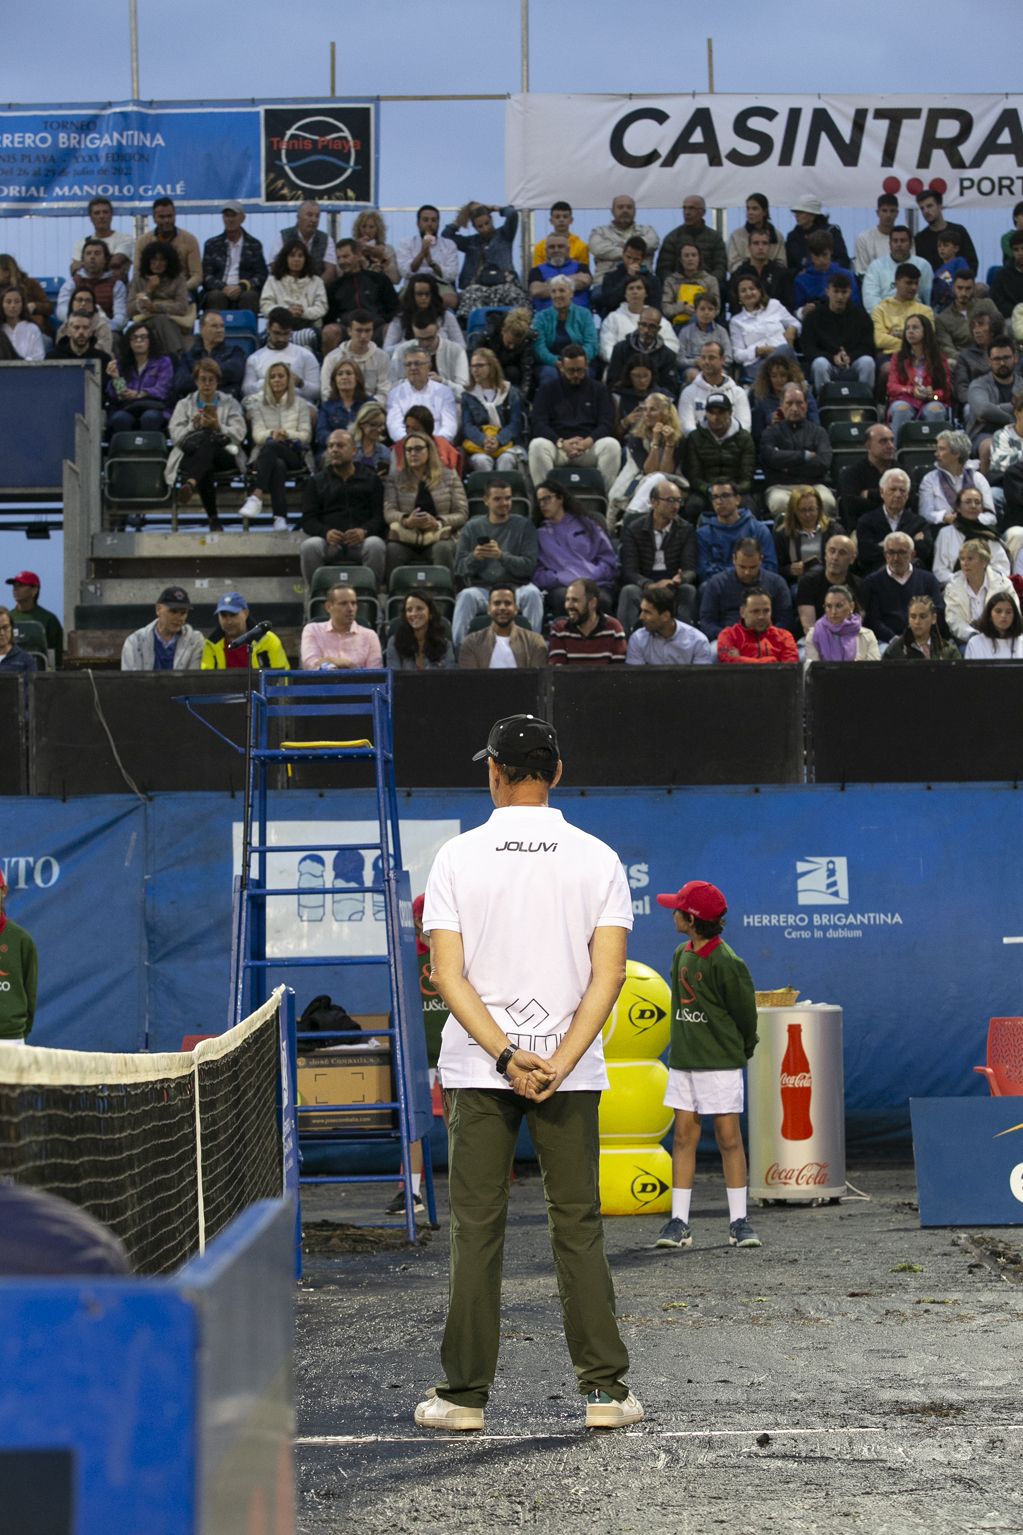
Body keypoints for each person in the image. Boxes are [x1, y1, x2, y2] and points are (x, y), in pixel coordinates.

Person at [417, 713, 643, 1433]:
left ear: (492, 771)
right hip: (566, 1073)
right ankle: (604, 1393)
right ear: (557, 772)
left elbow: (445, 976)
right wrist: (556, 1061)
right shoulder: (599, 858)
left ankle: (461, 1399)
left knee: (475, 1229)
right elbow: (609, 979)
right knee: (576, 1225)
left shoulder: (455, 858)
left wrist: (507, 1056)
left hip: (482, 1067)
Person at [654, 879, 760, 1251]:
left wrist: (741, 1050)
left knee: (729, 1138)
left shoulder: (727, 962)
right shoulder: (681, 953)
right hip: (685, 1061)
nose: (673, 914)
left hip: (719, 1063)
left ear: (692, 919)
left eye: (678, 909)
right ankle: (679, 1222)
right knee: (683, 1136)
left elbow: (745, 1015)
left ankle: (739, 1222)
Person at [452, 480, 543, 646]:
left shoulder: (524, 525)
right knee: (465, 597)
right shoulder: (472, 527)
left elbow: (529, 566)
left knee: (533, 594)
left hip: (516, 587)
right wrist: (475, 557)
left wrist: (501, 556)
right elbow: (459, 568)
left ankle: (533, 648)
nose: (505, 503)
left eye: (508, 498)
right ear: (486, 500)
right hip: (484, 589)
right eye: (498, 499)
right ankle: (460, 653)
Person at [299, 429, 387, 589]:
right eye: (330, 446)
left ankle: (371, 596)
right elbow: (308, 519)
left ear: (354, 450)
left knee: (375, 545)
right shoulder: (317, 481)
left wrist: (364, 531)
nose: (334, 450)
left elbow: (380, 517)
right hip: (329, 543)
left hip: (362, 542)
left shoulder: (371, 479)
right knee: (309, 546)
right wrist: (325, 532)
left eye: (340, 445)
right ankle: (314, 599)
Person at [166, 358, 247, 530]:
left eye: (211, 379)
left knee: (208, 440)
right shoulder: (184, 404)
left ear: (218, 381)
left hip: (225, 452)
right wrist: (192, 426)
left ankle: (191, 484)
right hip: (193, 452)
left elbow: (239, 434)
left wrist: (218, 426)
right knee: (204, 458)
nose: (207, 384)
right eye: (203, 379)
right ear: (196, 381)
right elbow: (176, 436)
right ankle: (213, 519)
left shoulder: (230, 403)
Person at [527, 346, 619, 491]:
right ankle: (544, 499)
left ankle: (606, 500)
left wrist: (587, 442)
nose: (576, 375)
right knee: (537, 445)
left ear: (586, 366)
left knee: (611, 445)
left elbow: (607, 423)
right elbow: (538, 423)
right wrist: (561, 443)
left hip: (588, 446)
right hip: (559, 446)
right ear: (561, 367)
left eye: (580, 370)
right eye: (571, 371)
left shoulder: (599, 389)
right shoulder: (547, 389)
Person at [239, 361, 313, 530]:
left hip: (294, 453)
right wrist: (272, 434)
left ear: (288, 379)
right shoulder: (259, 405)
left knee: (272, 447)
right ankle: (280, 518)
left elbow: (306, 435)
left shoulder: (301, 404)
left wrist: (285, 434)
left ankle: (257, 495)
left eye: (281, 376)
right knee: (277, 464)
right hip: (269, 456)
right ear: (267, 381)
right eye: (272, 377)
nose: (277, 380)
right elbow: (257, 436)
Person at [617, 480, 697, 631]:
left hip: (672, 585)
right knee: (628, 591)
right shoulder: (634, 529)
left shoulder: (686, 529)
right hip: (645, 585)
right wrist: (649, 584)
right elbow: (629, 571)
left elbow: (690, 568)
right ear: (654, 502)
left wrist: (680, 579)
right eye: (670, 500)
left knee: (688, 590)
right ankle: (625, 645)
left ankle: (685, 644)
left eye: (679, 501)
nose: (676, 506)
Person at [383, 431, 468, 575]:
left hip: (439, 536)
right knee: (393, 549)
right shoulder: (395, 478)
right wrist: (406, 520)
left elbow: (462, 513)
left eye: (418, 449)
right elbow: (389, 511)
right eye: (408, 450)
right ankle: (396, 595)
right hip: (406, 537)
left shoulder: (449, 475)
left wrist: (438, 522)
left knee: (443, 548)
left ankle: (446, 592)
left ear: (430, 450)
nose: (412, 453)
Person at [533, 481, 619, 616]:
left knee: (600, 600)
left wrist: (594, 574)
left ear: (560, 498)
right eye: (540, 501)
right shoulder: (539, 535)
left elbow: (608, 559)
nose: (543, 504)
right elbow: (537, 573)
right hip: (561, 587)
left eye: (547, 498)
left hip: (595, 583)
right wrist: (558, 578)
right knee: (567, 600)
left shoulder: (587, 524)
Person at [759, 385, 835, 518]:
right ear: (781, 406)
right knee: (780, 503)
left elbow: (823, 463)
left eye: (799, 403)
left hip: (813, 485)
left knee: (827, 502)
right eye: (789, 403)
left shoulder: (819, 432)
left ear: (806, 405)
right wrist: (804, 456)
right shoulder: (770, 433)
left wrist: (786, 467)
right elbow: (770, 459)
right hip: (780, 486)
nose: (794, 408)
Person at [698, 539, 795, 642]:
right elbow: (707, 621)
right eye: (742, 567)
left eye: (753, 567)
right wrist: (727, 635)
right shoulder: (717, 583)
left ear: (761, 560)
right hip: (729, 639)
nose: (747, 572)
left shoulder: (777, 583)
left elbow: (785, 619)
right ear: (734, 559)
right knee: (713, 654)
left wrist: (769, 636)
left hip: (768, 639)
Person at [443, 201, 524, 318]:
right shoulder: (470, 242)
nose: (485, 228)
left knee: (515, 296)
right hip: (477, 287)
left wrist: (493, 207)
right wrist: (460, 220)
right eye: (480, 226)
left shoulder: (505, 235)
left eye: (487, 223)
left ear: (491, 219)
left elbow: (512, 214)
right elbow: (446, 236)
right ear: (475, 228)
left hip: (504, 283)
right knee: (470, 298)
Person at [861, 532, 945, 645]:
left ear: (912, 554)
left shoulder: (928, 580)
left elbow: (937, 610)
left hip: (924, 639)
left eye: (901, 552)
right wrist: (894, 640)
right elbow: (873, 620)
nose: (896, 558)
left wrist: (920, 637)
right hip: (886, 642)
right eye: (891, 552)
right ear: (885, 555)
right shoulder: (872, 582)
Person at [799, 273, 876, 394]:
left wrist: (850, 357)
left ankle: (865, 400)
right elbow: (808, 347)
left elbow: (868, 346)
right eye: (836, 291)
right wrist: (832, 358)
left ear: (850, 293)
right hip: (828, 364)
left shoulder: (861, 316)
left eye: (844, 292)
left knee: (868, 362)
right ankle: (823, 402)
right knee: (819, 363)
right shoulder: (814, 317)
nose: (840, 297)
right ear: (827, 292)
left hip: (852, 363)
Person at [321, 239, 399, 354]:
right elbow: (329, 318)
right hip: (347, 330)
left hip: (375, 327)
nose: (342, 261)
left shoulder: (379, 279)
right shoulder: (334, 287)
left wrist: (381, 320)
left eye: (346, 256)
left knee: (391, 329)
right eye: (339, 258)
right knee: (329, 331)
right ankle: (328, 369)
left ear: (358, 255)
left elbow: (394, 308)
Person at [696, 474, 776, 580]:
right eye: (715, 497)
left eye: (725, 496)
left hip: (755, 584)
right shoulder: (703, 534)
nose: (719, 502)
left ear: (737, 499)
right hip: (720, 587)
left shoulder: (758, 529)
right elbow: (703, 571)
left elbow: (771, 567)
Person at [855, 468, 933, 575]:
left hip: (912, 577)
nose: (897, 494)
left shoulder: (919, 523)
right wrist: (910, 543)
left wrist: (883, 545)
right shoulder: (866, 521)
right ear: (882, 492)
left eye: (902, 490)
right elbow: (866, 555)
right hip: (878, 578)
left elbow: (924, 551)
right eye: (893, 489)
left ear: (908, 495)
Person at [460, 347, 526, 472]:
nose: (475, 370)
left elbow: (515, 424)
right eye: (473, 366)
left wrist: (498, 440)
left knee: (506, 459)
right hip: (479, 445)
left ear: (492, 366)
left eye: (480, 365)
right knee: (482, 461)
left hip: (508, 443)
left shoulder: (511, 392)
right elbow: (467, 426)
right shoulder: (468, 395)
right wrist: (483, 440)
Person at [943, 539, 1019, 646]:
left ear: (984, 562)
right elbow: (954, 620)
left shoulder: (1003, 584)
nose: (965, 563)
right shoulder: (953, 587)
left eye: (970, 559)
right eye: (962, 559)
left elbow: (1014, 613)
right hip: (967, 641)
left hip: (1001, 637)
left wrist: (995, 633)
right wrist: (973, 635)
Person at [931, 487, 1010, 588]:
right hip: (955, 587)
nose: (973, 506)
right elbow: (939, 571)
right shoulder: (946, 533)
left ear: (982, 508)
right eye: (968, 502)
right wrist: (965, 581)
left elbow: (1002, 568)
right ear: (958, 507)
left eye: (977, 502)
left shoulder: (989, 535)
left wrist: (981, 580)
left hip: (988, 587)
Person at [886, 313, 951, 432]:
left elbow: (945, 391)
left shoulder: (939, 358)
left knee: (935, 410)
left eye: (915, 328)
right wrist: (911, 390)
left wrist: (932, 395)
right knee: (901, 409)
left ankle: (938, 449)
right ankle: (895, 449)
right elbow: (891, 387)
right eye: (908, 328)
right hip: (905, 399)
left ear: (926, 331)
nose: (910, 331)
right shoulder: (898, 357)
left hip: (930, 400)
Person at [728, 274, 799, 383]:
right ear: (738, 297)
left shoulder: (774, 305)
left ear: (760, 291)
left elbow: (796, 323)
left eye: (752, 289)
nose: (748, 293)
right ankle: (801, 383)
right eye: (743, 291)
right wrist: (758, 351)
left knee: (785, 350)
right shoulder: (736, 321)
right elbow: (737, 355)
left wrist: (792, 329)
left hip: (784, 358)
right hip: (757, 365)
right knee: (785, 350)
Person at [125, 242, 193, 356]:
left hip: (173, 322)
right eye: (153, 260)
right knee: (159, 321)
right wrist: (149, 289)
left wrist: (155, 307)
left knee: (161, 321)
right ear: (148, 261)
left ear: (169, 262)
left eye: (162, 260)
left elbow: (182, 307)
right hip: (145, 322)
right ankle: (177, 356)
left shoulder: (178, 278)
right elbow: (130, 309)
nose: (157, 264)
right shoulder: (138, 278)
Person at [105, 322, 173, 434]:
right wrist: (116, 378)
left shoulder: (163, 362)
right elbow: (115, 394)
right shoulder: (122, 364)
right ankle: (124, 451)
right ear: (129, 342)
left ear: (150, 340)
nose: (139, 341)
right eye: (134, 338)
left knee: (150, 417)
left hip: (155, 406)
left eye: (143, 337)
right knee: (119, 418)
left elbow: (163, 389)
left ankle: (151, 451)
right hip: (129, 407)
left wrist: (140, 394)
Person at [456, 585, 547, 668]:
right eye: (497, 603)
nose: (502, 607)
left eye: (508, 603)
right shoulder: (471, 643)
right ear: (488, 609)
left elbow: (537, 682)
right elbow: (469, 682)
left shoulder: (535, 642)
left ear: (516, 609)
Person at [259, 240, 328, 351]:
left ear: (306, 259)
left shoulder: (317, 281)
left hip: (308, 326)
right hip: (279, 327)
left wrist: (303, 312)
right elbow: (265, 306)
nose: (296, 259)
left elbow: (322, 307)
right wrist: (286, 312)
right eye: (292, 255)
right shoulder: (273, 281)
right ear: (285, 258)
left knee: (309, 340)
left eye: (300, 256)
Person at [918, 429, 995, 527]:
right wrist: (944, 517)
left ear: (956, 454)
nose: (936, 454)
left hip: (975, 530)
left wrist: (970, 517)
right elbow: (925, 513)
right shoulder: (929, 479)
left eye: (941, 449)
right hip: (942, 529)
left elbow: (991, 516)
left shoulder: (978, 478)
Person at [200, 201, 267, 313]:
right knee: (215, 297)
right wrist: (223, 288)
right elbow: (206, 275)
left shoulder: (254, 244)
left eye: (233, 215)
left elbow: (261, 275)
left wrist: (242, 287)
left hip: (244, 290)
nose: (230, 220)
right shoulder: (211, 244)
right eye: (227, 216)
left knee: (249, 297)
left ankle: (248, 331)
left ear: (242, 218)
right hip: (219, 289)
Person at [967, 337, 1021, 472]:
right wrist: (1013, 416)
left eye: (1006, 358)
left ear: (1015, 358)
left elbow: (989, 410)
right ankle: (987, 488)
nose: (1002, 363)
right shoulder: (978, 384)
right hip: (984, 433)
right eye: (997, 359)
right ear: (989, 361)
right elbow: (983, 410)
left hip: (1020, 433)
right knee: (989, 446)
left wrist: (995, 409)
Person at [300, 582, 383, 670]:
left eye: (353, 603)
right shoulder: (313, 630)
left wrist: (347, 664)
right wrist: (344, 666)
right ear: (328, 607)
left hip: (358, 683)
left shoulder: (369, 636)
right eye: (343, 604)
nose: (351, 609)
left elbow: (376, 673)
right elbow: (311, 665)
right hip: (323, 683)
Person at [243, 308, 320, 404]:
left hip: (298, 404)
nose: (281, 339)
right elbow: (246, 390)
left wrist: (300, 383)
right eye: (277, 333)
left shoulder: (305, 355)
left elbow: (317, 392)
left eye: (286, 334)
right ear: (268, 328)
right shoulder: (255, 358)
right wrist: (269, 382)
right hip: (265, 403)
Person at [532, 276, 599, 383]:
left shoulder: (584, 314)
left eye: (562, 290)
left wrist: (576, 362)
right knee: (550, 376)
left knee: (585, 374)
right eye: (553, 291)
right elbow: (539, 347)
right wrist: (556, 362)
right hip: (551, 363)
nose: (557, 295)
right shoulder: (540, 317)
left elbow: (591, 344)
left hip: (580, 361)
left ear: (571, 293)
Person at [121, 586, 204, 671]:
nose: (179, 617)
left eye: (183, 613)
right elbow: (130, 681)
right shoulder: (135, 642)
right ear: (158, 609)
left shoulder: (195, 640)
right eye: (173, 611)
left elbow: (193, 680)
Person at [200, 591, 289, 670]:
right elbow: (205, 681)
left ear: (246, 613)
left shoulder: (268, 640)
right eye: (223, 615)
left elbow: (282, 677)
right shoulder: (211, 645)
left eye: (233, 615)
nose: (229, 621)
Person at [385, 349, 458, 445]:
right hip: (406, 446)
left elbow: (449, 425)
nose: (413, 368)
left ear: (429, 367)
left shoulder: (444, 391)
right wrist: (411, 443)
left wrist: (434, 444)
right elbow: (394, 427)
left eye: (417, 363)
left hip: (438, 445)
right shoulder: (395, 394)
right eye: (408, 364)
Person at [625, 586, 713, 665]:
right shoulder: (637, 639)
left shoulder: (697, 642)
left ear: (665, 616)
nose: (641, 617)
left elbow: (701, 679)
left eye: (647, 612)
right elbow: (635, 679)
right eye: (641, 611)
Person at [547, 578, 627, 665]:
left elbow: (618, 672)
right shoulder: (559, 629)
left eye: (575, 600)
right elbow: (557, 673)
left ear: (592, 603)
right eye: (567, 600)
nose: (569, 606)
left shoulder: (613, 628)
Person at [320, 309, 391, 405]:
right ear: (349, 331)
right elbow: (326, 391)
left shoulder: (382, 357)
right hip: (339, 409)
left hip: (371, 410)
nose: (363, 336)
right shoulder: (332, 358)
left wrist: (366, 408)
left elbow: (384, 391)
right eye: (359, 331)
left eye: (368, 331)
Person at [171, 309, 246, 401]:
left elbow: (235, 373)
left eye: (222, 326)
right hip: (195, 404)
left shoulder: (235, 352)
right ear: (202, 329)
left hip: (226, 402)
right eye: (214, 326)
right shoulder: (188, 356)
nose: (220, 330)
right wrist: (217, 376)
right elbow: (181, 383)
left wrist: (199, 376)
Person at [794, 534, 862, 635]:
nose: (835, 557)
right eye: (832, 551)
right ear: (825, 555)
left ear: (852, 559)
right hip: (814, 639)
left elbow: (858, 624)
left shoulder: (859, 585)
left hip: (848, 638)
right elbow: (809, 627)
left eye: (842, 553)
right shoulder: (808, 582)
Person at [678, 339, 751, 433]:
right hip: (699, 446)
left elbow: (744, 427)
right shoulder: (688, 392)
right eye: (703, 358)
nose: (706, 362)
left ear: (723, 360)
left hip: (732, 446)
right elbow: (686, 428)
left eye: (711, 358)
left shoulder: (738, 393)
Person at [56, 238, 128, 332]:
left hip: (106, 331)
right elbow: (61, 310)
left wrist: (103, 326)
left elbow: (121, 317)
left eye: (97, 253)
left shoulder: (117, 285)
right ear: (82, 260)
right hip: (75, 329)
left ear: (106, 260)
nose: (92, 257)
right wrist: (79, 322)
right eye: (88, 253)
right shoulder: (72, 284)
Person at [600, 278, 677, 364]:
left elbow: (672, 346)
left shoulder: (660, 320)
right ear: (625, 294)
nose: (635, 292)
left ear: (646, 294)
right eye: (631, 288)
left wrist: (649, 363)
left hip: (655, 368)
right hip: (621, 367)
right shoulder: (612, 318)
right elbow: (606, 347)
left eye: (639, 288)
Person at [0, 866, 38, 1042]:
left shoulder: (21, 939)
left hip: (10, 1039)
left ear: (4, 891)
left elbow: (30, 994)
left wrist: (19, 1032)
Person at [773, 486, 838, 587]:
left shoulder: (833, 529)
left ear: (819, 508)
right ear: (794, 511)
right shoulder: (783, 534)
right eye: (802, 510)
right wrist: (790, 570)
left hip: (830, 581)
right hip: (799, 583)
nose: (808, 515)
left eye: (812, 509)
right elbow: (776, 568)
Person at [656, 195, 727, 287]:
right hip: (678, 289)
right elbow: (663, 270)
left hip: (708, 290)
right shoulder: (672, 238)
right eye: (684, 208)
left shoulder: (715, 238)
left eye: (691, 208)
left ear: (703, 212)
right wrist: (679, 285)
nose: (687, 212)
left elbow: (721, 268)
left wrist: (707, 283)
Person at [134, 197, 202, 293]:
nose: (166, 220)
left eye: (170, 216)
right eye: (161, 217)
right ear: (154, 218)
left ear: (175, 216)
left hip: (183, 291)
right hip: (152, 290)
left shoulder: (189, 240)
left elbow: (197, 275)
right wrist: (150, 288)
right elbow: (138, 273)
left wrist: (180, 289)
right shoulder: (143, 241)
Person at [837, 422, 897, 528]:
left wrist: (870, 494)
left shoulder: (902, 471)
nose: (891, 446)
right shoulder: (852, 473)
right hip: (863, 529)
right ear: (868, 446)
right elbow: (851, 506)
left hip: (898, 529)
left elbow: (910, 501)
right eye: (883, 441)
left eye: (892, 440)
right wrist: (891, 503)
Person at [861, 225, 934, 313]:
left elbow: (929, 299)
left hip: (916, 318)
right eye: (895, 241)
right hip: (884, 319)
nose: (899, 244)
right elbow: (870, 299)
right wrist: (887, 318)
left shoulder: (923, 265)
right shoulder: (876, 266)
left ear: (911, 244)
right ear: (890, 244)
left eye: (903, 241)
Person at [383, 274, 465, 352]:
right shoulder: (400, 318)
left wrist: (439, 345)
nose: (423, 298)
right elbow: (387, 349)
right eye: (419, 294)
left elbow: (462, 346)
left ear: (433, 295)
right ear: (412, 295)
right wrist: (412, 344)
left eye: (427, 294)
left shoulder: (446, 316)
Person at [588, 194, 661, 281]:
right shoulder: (599, 232)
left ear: (635, 211)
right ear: (612, 211)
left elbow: (653, 243)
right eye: (620, 207)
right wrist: (636, 249)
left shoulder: (647, 230)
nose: (625, 210)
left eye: (629, 207)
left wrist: (618, 247)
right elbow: (598, 249)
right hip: (605, 282)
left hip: (642, 281)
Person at [717, 587, 799, 663]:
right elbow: (727, 660)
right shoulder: (728, 635)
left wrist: (740, 659)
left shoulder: (784, 637)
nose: (761, 616)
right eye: (755, 611)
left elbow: (790, 667)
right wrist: (771, 661)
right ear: (742, 612)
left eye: (766, 611)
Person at [390, 320, 469, 398]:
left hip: (446, 401)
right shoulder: (402, 350)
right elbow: (391, 387)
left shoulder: (456, 350)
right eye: (420, 339)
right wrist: (412, 381)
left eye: (429, 338)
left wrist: (443, 382)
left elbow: (464, 393)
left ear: (438, 329)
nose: (425, 343)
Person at [749, 355, 820, 442]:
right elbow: (757, 435)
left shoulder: (804, 394)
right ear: (768, 378)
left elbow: (816, 424)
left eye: (783, 375)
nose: (779, 380)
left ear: (789, 376)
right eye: (774, 376)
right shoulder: (762, 398)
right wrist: (771, 424)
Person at [804, 584, 880, 662]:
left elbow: (873, 670)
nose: (833, 612)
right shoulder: (814, 635)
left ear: (851, 606)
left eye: (839, 606)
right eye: (829, 606)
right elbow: (813, 670)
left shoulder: (867, 635)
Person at [871, 265, 935, 358]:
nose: (913, 287)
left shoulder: (926, 311)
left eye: (916, 283)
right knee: (887, 368)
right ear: (896, 283)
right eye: (909, 283)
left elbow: (928, 338)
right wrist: (912, 342)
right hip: (890, 355)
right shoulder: (880, 309)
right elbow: (879, 340)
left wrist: (897, 334)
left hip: (919, 355)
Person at [791, 231, 860, 315]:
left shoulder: (847, 276)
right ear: (810, 255)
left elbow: (856, 305)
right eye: (816, 255)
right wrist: (802, 311)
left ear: (831, 252)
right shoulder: (801, 281)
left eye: (824, 254)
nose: (821, 260)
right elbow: (796, 311)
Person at [396, 204, 460, 295]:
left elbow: (451, 275)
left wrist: (431, 263)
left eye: (434, 220)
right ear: (418, 223)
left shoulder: (449, 245)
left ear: (438, 223)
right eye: (425, 220)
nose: (430, 224)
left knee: (450, 300)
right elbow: (405, 272)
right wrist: (422, 254)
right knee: (403, 300)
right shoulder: (406, 243)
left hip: (440, 285)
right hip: (413, 285)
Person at [913, 189, 979, 276]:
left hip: (960, 284)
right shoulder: (920, 239)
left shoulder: (959, 231)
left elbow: (972, 262)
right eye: (922, 208)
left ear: (940, 206)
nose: (925, 211)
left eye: (929, 206)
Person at [936, 273, 1000, 362]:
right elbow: (947, 348)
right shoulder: (942, 318)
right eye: (960, 288)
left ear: (974, 288)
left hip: (993, 356)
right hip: (963, 361)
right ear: (953, 288)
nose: (963, 293)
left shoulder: (987, 305)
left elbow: (1001, 331)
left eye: (968, 288)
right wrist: (968, 360)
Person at [593, 235, 661, 318]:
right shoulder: (610, 277)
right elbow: (609, 302)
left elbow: (655, 307)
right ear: (623, 254)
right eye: (628, 257)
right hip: (616, 320)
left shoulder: (653, 281)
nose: (631, 262)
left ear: (642, 259)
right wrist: (628, 277)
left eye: (636, 259)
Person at [4, 571, 63, 667]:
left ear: (34, 590)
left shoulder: (49, 619)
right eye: (14, 585)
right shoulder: (6, 619)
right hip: (9, 675)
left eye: (21, 585)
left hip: (39, 676)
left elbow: (56, 655)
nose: (15, 588)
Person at [728, 227, 791, 315]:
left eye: (764, 243)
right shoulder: (738, 274)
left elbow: (788, 305)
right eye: (756, 243)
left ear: (769, 247)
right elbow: (734, 305)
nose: (760, 247)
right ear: (749, 247)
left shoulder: (781, 274)